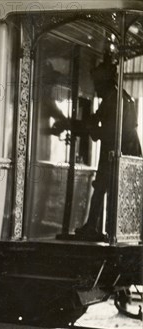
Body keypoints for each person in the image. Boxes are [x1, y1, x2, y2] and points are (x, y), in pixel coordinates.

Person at [75, 59, 143, 240]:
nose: (96, 88)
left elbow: (107, 132)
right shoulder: (115, 96)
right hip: (120, 148)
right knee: (102, 188)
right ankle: (96, 227)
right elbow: (98, 119)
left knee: (108, 189)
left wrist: (90, 128)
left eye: (98, 84)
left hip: (121, 149)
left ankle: (106, 230)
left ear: (105, 82)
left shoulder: (115, 99)